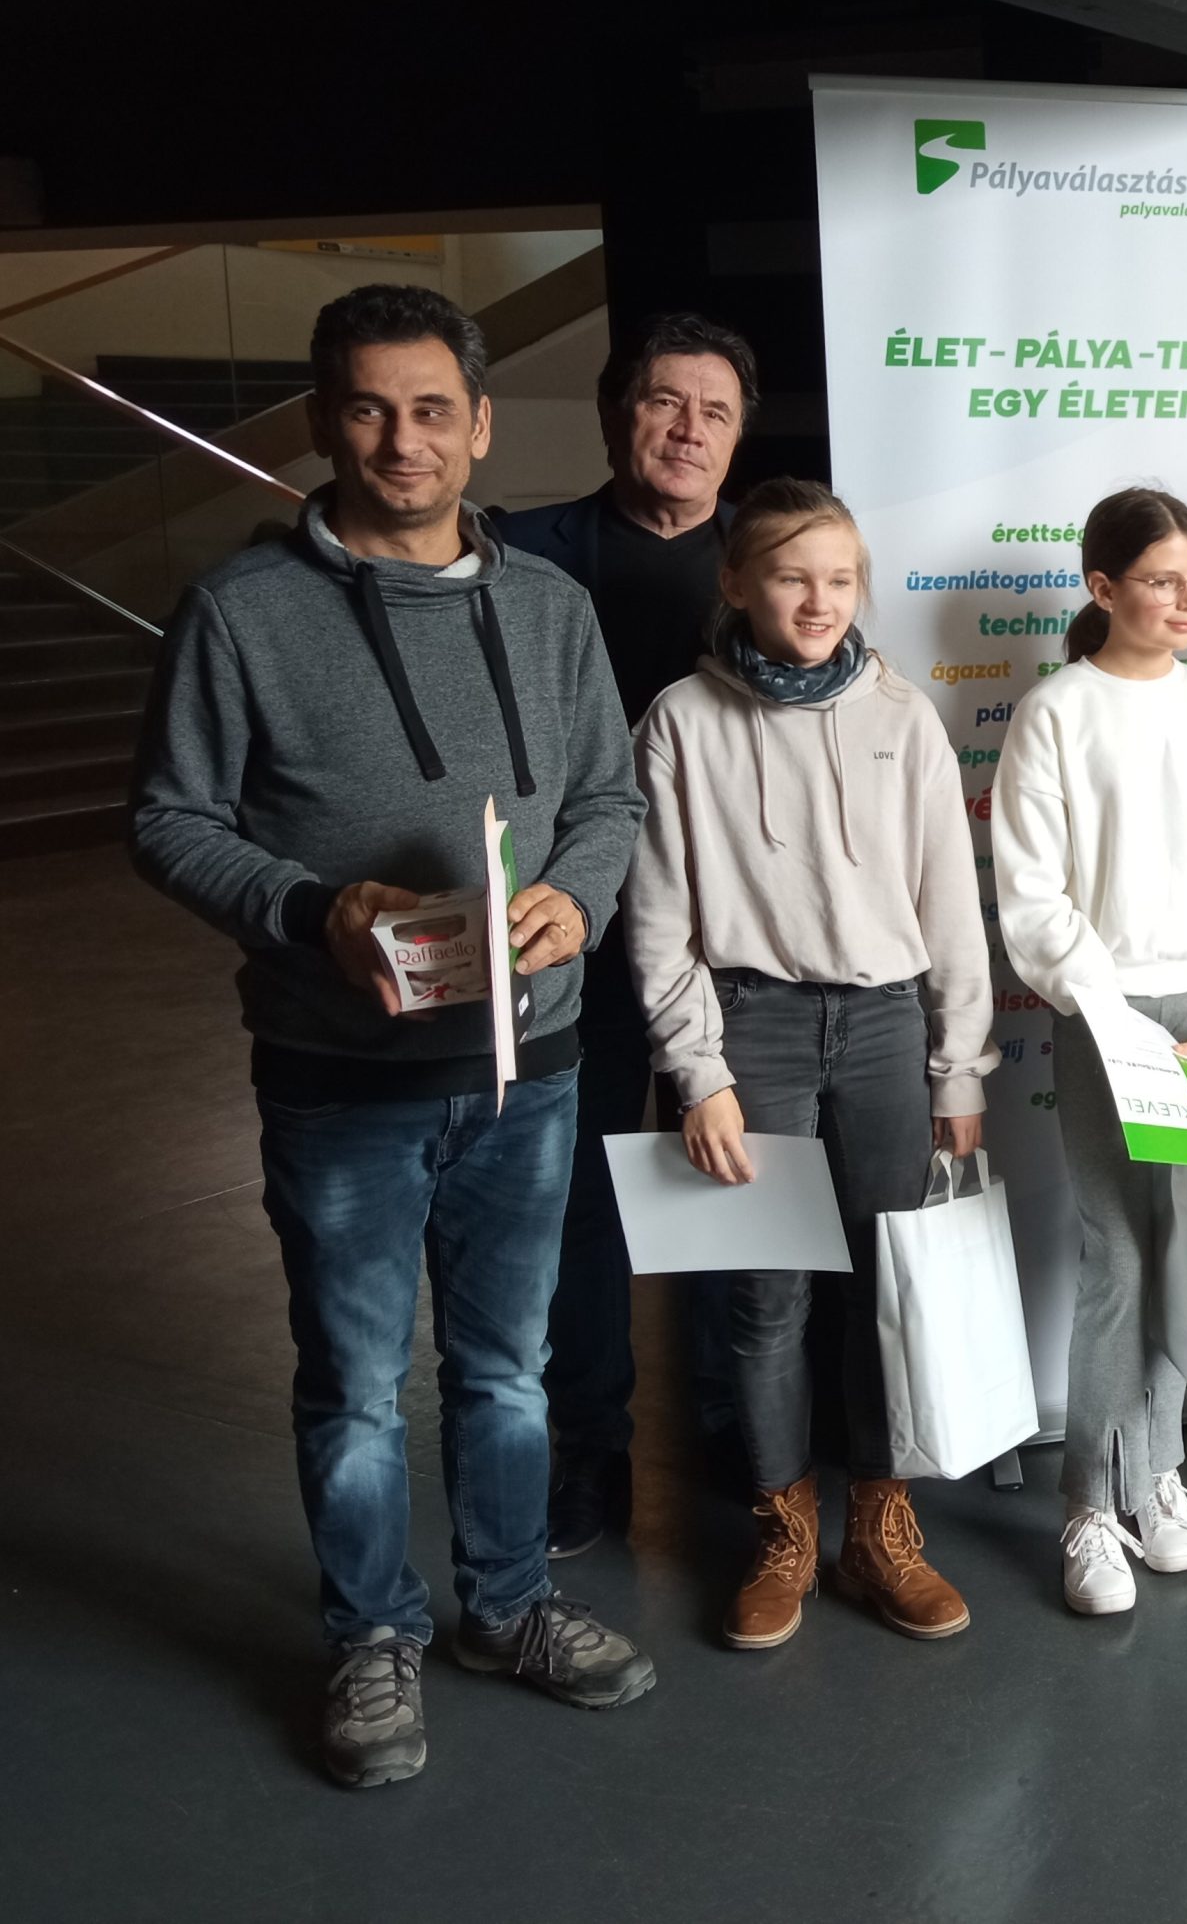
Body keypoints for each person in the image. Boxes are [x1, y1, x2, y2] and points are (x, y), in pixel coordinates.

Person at [129, 284, 655, 1789]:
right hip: (339, 1077)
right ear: (323, 421)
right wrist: (309, 911)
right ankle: (371, 1635)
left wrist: (575, 898)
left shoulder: (550, 608)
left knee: (506, 1370)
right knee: (357, 1384)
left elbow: (609, 797)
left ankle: (508, 1604)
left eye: (432, 409)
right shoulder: (241, 611)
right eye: (368, 407)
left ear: (481, 425)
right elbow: (167, 819)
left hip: (527, 1069)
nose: (402, 439)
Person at [621, 479, 996, 1647]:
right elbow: (658, 918)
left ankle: (878, 1531)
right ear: (736, 581)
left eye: (840, 578)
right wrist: (698, 1072)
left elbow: (949, 904)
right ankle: (782, 1534)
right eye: (791, 575)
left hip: (884, 1029)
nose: (819, 600)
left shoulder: (903, 716)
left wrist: (960, 1068)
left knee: (888, 1286)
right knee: (765, 1299)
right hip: (752, 1031)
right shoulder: (681, 720)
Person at [991, 488, 1187, 1617]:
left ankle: (1158, 1471)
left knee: (1181, 1244)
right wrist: (1109, 1014)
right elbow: (1032, 895)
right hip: (1101, 1014)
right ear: (1103, 587)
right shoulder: (1056, 712)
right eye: (1163, 581)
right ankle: (1087, 1501)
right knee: (1116, 1250)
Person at [498, 312, 758, 1557]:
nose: (688, 430)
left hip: (737, 934)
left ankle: (731, 1421)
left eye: (715, 411)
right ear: (616, 414)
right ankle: (587, 1444)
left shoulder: (773, 557)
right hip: (575, 926)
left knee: (727, 1172)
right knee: (583, 1190)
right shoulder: (517, 552)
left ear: (739, 436)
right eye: (664, 402)